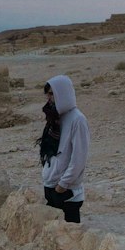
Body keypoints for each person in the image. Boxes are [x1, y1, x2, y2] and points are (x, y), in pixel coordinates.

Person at [38, 74, 90, 224]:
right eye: (47, 94)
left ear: (63, 93)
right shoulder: (55, 118)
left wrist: (62, 185)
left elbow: (79, 158)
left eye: (52, 93)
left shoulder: (77, 120)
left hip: (66, 192)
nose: (49, 98)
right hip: (51, 186)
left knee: (71, 241)